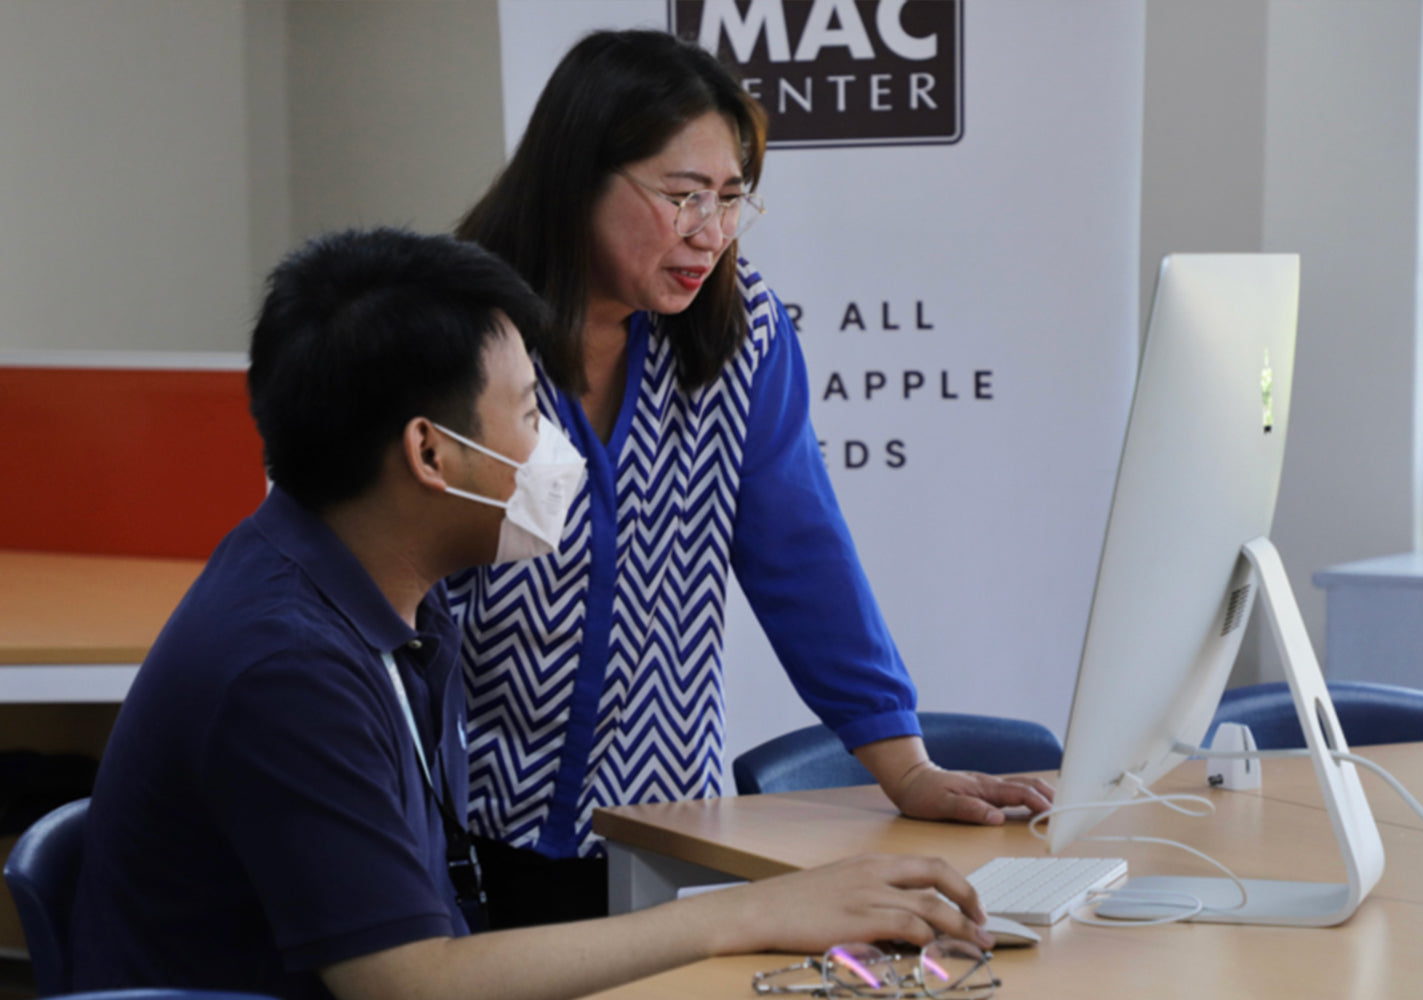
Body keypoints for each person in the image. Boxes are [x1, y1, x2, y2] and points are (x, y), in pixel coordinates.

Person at [69, 227, 994, 1000]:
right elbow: (410, 983)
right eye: (526, 411)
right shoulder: (289, 666)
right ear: (432, 455)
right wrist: (750, 910)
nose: (560, 449)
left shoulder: (341, 586)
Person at [449, 28, 1055, 928]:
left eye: (732, 199)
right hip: (472, 826)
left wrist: (906, 765)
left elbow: (800, 554)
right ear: (577, 177)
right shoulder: (460, 333)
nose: (711, 232)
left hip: (667, 832)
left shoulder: (744, 332)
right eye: (683, 196)